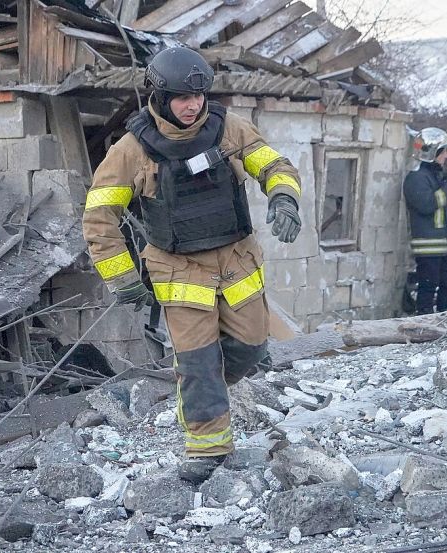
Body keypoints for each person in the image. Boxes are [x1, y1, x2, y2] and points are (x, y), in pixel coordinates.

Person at [81, 46, 302, 484]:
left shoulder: (229, 129)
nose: (193, 106)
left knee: (252, 346)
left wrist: (284, 197)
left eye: (199, 97)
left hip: (236, 262)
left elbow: (274, 164)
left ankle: (209, 391)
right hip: (178, 271)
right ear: (160, 97)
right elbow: (99, 216)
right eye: (182, 97)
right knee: (198, 363)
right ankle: (208, 448)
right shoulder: (130, 151)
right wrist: (121, 277)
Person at [403, 127, 447, 314]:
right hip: (427, 245)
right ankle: (424, 322)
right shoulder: (416, 178)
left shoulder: (432, 175)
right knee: (428, 286)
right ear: (433, 153)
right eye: (444, 151)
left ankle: (446, 319)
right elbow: (426, 205)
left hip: (440, 244)